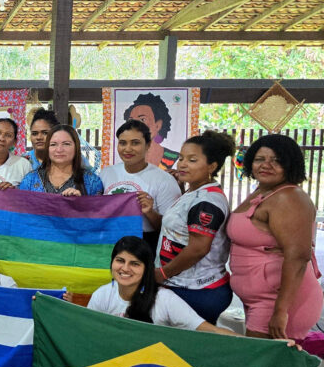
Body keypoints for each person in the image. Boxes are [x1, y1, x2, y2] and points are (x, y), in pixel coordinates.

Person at [227, 134, 323, 340]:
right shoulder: (263, 192)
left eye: (277, 160)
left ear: (290, 164)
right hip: (260, 299)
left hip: (278, 301)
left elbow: (298, 256)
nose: (266, 165)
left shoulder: (289, 198)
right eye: (260, 159)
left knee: (264, 365)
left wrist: (281, 311)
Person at [155, 130, 236, 324]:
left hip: (197, 291)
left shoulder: (207, 200)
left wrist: (163, 273)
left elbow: (198, 248)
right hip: (183, 286)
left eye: (192, 160)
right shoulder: (195, 192)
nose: (182, 164)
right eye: (181, 158)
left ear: (212, 166)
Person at [89, 236, 236, 335]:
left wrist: (253, 345)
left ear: (147, 268)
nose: (125, 268)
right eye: (120, 260)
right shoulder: (102, 295)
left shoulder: (164, 299)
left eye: (134, 263)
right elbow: (87, 332)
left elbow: (206, 329)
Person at [99, 120, 181, 249]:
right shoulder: (106, 174)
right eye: (122, 143)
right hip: (108, 243)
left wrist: (150, 212)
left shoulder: (164, 181)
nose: (128, 149)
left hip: (145, 246)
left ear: (148, 145)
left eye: (135, 143)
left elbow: (172, 230)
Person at [19, 124, 103, 196]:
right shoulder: (30, 180)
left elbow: (99, 212)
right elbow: (20, 211)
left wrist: (80, 203)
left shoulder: (92, 181)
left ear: (76, 147)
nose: (59, 149)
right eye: (53, 144)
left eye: (66, 144)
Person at [123, 92, 178, 170]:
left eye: (142, 119)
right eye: (131, 120)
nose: (135, 125)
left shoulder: (175, 159)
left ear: (158, 125)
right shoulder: (127, 156)